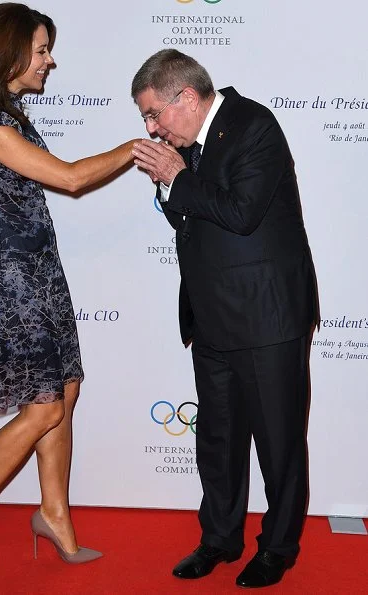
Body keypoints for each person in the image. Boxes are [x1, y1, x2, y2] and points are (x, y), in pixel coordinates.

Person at [0, 3, 140, 573]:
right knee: (43, 404)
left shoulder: (12, 119)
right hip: (10, 279)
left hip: (42, 273)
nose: (51, 60)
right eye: (42, 49)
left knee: (65, 391)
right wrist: (137, 146)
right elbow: (70, 179)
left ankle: (54, 515)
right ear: (9, 52)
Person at [131, 49, 318, 588]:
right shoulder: (184, 145)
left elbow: (240, 212)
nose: (151, 127)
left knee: (278, 442)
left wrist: (176, 176)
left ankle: (278, 548)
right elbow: (186, 217)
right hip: (210, 315)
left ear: (185, 97)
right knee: (217, 438)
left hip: (267, 316)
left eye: (153, 114)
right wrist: (172, 180)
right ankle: (219, 539)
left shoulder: (253, 124)